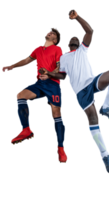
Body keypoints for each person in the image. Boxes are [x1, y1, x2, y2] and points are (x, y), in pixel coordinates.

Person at [59, 7, 109, 175]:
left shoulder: (83, 49)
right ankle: (106, 158)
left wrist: (78, 17)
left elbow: (90, 31)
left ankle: (107, 108)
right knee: (93, 119)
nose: (74, 37)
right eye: (71, 37)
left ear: (79, 41)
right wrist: (49, 74)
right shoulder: (63, 58)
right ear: (68, 43)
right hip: (80, 93)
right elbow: (62, 78)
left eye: (76, 36)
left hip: (93, 81)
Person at [1, 27, 68, 165]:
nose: (49, 32)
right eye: (49, 31)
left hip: (53, 84)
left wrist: (49, 74)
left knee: (56, 113)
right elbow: (26, 60)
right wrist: (12, 66)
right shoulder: (38, 48)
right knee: (20, 94)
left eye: (53, 33)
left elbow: (60, 67)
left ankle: (61, 148)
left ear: (55, 39)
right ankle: (26, 129)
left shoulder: (58, 49)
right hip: (39, 83)